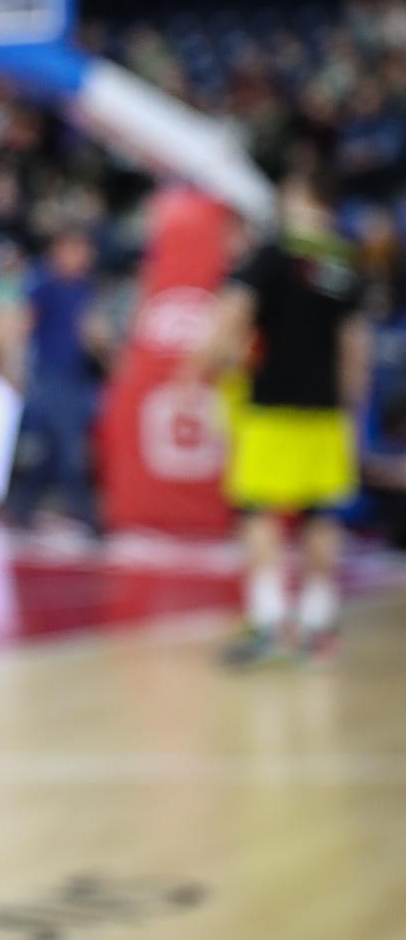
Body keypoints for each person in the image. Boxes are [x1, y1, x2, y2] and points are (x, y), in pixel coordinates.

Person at [194, 176, 367, 663]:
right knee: (320, 513)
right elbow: (356, 347)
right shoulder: (342, 263)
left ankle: (269, 620)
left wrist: (202, 369)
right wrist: (350, 407)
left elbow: (232, 319)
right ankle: (317, 622)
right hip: (325, 410)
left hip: (271, 407)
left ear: (301, 203)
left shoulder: (271, 256)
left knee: (257, 511)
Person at [3, 225, 109, 536]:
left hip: (77, 377)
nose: (83, 257)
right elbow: (22, 324)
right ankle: (89, 518)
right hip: (50, 377)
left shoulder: (85, 287)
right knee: (69, 450)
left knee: (51, 452)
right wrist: (13, 366)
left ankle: (22, 509)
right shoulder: (42, 284)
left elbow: (91, 331)